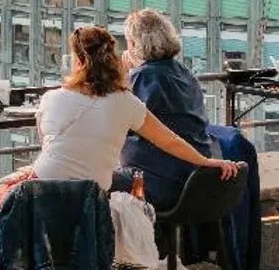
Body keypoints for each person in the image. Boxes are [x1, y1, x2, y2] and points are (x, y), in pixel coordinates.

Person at [14, 26, 237, 189]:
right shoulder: (126, 101)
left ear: (79, 63)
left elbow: (49, 145)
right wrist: (207, 161)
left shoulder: (51, 98)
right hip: (91, 196)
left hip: (44, 190)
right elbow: (170, 140)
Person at [117, 8, 212, 210]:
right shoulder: (184, 73)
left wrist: (126, 75)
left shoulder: (143, 78)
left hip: (160, 183)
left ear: (133, 44)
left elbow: (117, 125)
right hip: (196, 181)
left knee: (94, 182)